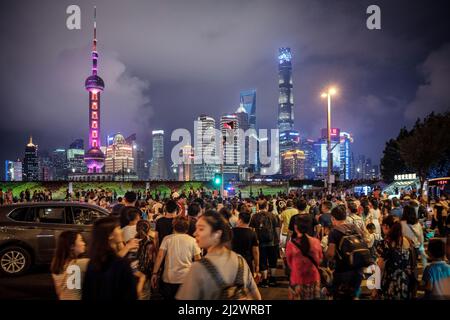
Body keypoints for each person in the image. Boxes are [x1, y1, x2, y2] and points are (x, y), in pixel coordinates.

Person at [176, 210, 261, 300]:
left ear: (217, 234)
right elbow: (256, 295)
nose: (195, 233)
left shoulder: (198, 268)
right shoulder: (240, 261)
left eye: (201, 229)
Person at [82, 217, 137, 300]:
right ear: (110, 235)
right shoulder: (121, 264)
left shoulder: (92, 263)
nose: (121, 231)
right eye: (118, 228)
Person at [151, 216, 201, 300]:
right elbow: (198, 260)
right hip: (186, 278)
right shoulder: (192, 240)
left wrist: (154, 273)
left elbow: (160, 256)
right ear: (187, 228)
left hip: (169, 278)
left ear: (173, 226)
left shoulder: (167, 239)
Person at [326, 205, 365, 300]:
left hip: (343, 271)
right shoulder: (355, 227)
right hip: (358, 270)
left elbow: (331, 254)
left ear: (333, 218)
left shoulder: (334, 232)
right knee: (354, 296)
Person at [375, 215, 417, 300]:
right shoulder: (408, 241)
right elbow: (413, 264)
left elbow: (380, 268)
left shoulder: (385, 243)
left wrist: (375, 288)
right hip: (406, 282)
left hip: (390, 282)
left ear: (386, 226)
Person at [286, 214, 323, 300]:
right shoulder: (316, 242)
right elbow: (320, 259)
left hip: (297, 279)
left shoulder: (291, 245)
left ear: (295, 227)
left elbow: (289, 263)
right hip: (314, 278)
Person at [249, 199, 280, 287]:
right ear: (267, 206)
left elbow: (252, 230)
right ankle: (273, 279)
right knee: (272, 261)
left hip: (260, 243)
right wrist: (277, 239)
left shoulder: (254, 216)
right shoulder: (273, 216)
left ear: (258, 206)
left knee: (263, 261)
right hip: (273, 242)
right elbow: (277, 229)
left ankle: (265, 280)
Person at [51, 231, 89, 300]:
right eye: (81, 240)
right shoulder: (80, 264)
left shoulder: (56, 265)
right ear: (72, 246)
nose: (84, 243)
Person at [231, 211, 260, 277]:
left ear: (240, 220)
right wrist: (257, 265)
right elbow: (255, 252)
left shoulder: (231, 231)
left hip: (233, 261)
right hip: (247, 261)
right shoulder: (252, 233)